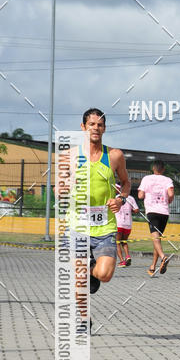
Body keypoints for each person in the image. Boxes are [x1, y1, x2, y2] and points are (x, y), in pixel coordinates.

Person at [58, 109, 131, 323]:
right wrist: (66, 187)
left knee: (105, 274)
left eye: (99, 125)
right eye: (91, 124)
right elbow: (58, 190)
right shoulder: (69, 156)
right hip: (77, 225)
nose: (95, 128)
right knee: (78, 278)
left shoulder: (114, 155)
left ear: (104, 128)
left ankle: (91, 270)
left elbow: (126, 183)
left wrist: (121, 199)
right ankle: (83, 318)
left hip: (104, 226)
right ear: (83, 127)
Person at [138, 160, 174, 276]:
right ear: (163, 169)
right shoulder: (167, 180)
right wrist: (168, 201)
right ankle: (153, 267)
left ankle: (163, 257)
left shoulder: (146, 179)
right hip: (164, 212)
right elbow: (171, 194)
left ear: (153, 168)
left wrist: (143, 196)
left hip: (152, 211)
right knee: (157, 239)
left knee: (155, 237)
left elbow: (140, 195)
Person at [114, 182, 139, 267]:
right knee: (124, 242)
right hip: (128, 224)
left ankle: (122, 261)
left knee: (117, 243)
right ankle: (127, 256)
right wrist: (130, 210)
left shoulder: (116, 198)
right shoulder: (131, 198)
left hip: (119, 224)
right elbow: (136, 210)